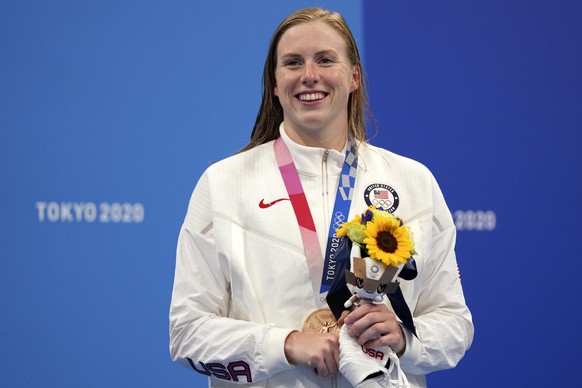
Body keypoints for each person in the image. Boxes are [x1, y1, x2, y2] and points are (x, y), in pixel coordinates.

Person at [169, 7, 473, 387]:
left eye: (326, 60)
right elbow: (187, 333)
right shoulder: (224, 184)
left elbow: (455, 323)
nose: (309, 75)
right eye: (293, 63)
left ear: (354, 77)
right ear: (275, 85)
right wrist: (285, 344)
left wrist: (404, 337)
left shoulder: (412, 182)